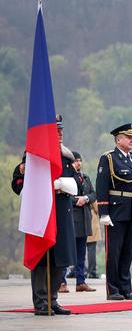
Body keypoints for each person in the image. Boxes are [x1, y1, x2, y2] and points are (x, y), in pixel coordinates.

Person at [16, 114, 77, 315]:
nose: (60, 133)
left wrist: (63, 184)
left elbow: (79, 183)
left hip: (62, 212)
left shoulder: (67, 156)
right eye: (56, 129)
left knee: (60, 259)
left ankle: (53, 300)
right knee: (43, 259)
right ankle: (41, 302)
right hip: (43, 212)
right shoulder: (34, 154)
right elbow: (18, 182)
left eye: (62, 129)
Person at [96, 123, 132, 301]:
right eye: (128, 137)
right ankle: (113, 289)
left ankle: (125, 288)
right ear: (118, 139)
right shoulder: (108, 158)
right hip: (115, 210)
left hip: (130, 210)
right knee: (113, 252)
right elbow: (102, 185)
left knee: (127, 252)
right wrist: (103, 212)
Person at [70, 151, 97, 292]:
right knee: (68, 252)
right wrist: (76, 200)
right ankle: (61, 282)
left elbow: (93, 193)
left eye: (80, 160)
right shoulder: (66, 178)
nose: (78, 163)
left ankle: (80, 282)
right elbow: (63, 196)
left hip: (85, 218)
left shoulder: (85, 178)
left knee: (81, 253)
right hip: (71, 219)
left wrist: (85, 198)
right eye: (75, 161)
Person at [86, 198, 101, 279]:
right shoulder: (90, 192)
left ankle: (77, 270)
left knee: (79, 249)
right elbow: (97, 208)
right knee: (91, 249)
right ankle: (92, 271)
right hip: (91, 221)